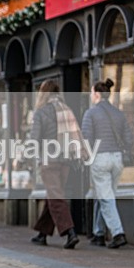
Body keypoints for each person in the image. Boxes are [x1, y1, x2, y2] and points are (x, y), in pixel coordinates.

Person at [29, 79, 83, 249]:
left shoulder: (41, 112)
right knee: (53, 194)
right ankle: (42, 233)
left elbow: (34, 139)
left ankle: (70, 232)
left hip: (49, 160)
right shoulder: (66, 110)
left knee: (56, 197)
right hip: (65, 160)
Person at [81, 79, 134, 249]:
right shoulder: (119, 113)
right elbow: (128, 139)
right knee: (103, 196)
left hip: (100, 158)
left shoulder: (91, 113)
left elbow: (87, 139)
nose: (90, 95)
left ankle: (118, 233)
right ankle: (99, 233)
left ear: (96, 94)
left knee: (105, 198)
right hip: (117, 158)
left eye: (91, 92)